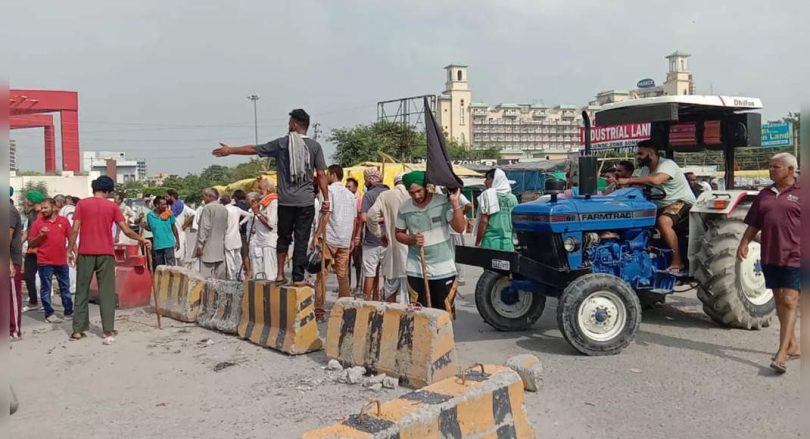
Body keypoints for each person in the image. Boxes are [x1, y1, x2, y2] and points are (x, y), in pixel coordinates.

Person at [213, 109, 329, 285]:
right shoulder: (315, 146)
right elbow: (321, 174)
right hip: (305, 202)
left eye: (289, 123)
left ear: (295, 124)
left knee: (283, 238)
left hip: (286, 201)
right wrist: (326, 199)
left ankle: (280, 274)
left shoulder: (282, 144)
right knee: (301, 240)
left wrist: (231, 150)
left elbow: (254, 149)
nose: (288, 125)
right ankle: (298, 278)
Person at [737, 153, 800, 374]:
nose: (771, 170)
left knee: (790, 301)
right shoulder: (765, 194)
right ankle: (793, 344)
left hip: (797, 255)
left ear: (790, 170)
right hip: (771, 254)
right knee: (780, 300)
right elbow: (755, 223)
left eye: (776, 167)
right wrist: (744, 242)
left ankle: (782, 354)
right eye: (770, 166)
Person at [68, 176, 151, 343]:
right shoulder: (112, 207)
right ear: (108, 191)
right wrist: (141, 239)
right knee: (106, 292)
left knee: (81, 291)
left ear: (94, 188)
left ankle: (78, 330)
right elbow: (126, 230)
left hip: (85, 252)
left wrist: (69, 249)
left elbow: (75, 229)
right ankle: (107, 329)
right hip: (106, 253)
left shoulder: (82, 204)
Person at [617, 140, 696, 273]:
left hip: (681, 202)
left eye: (641, 154)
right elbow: (639, 186)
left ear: (651, 153)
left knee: (663, 221)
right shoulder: (645, 170)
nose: (638, 157)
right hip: (659, 206)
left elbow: (656, 180)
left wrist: (629, 180)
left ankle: (677, 262)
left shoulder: (667, 164)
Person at [395, 171, 467, 313]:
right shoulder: (404, 208)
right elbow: (398, 234)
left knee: (443, 313)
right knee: (419, 313)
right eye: (411, 193)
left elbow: (459, 228)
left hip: (444, 269)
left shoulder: (442, 202)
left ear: (426, 187)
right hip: (416, 270)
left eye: (419, 191)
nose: (416, 196)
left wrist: (455, 203)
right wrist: (411, 239)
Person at [311, 165, 357, 320]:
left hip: (329, 238)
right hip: (344, 239)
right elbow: (354, 219)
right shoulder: (350, 194)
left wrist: (316, 235)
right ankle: (346, 310)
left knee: (322, 275)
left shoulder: (329, 191)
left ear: (332, 174)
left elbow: (326, 214)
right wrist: (352, 238)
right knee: (343, 276)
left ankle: (319, 310)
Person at [366, 172, 410, 303]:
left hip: (393, 249)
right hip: (413, 249)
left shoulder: (385, 195)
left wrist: (380, 234)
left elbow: (371, 216)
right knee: (411, 290)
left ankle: (390, 314)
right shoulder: (415, 194)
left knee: (390, 287)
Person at [28, 198, 74, 323]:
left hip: (61, 261)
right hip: (44, 262)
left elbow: (71, 236)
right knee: (46, 288)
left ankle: (68, 312)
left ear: (53, 207)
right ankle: (49, 314)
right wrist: (40, 235)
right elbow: (31, 243)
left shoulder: (63, 221)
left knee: (65, 287)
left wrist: (71, 251)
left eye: (45, 208)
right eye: (42, 208)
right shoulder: (38, 223)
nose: (43, 210)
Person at [353, 168, 389, 301]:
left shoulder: (369, 195)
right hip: (388, 241)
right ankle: (379, 300)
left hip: (372, 240)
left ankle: (367, 302)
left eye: (365, 180)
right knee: (385, 274)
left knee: (369, 273)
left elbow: (363, 217)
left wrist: (376, 219)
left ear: (370, 180)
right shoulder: (389, 193)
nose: (365, 182)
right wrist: (386, 219)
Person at [476, 169, 519, 251]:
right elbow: (515, 221)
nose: (485, 182)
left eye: (488, 179)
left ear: (496, 180)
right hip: (508, 243)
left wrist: (477, 241)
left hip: (490, 243)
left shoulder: (487, 195)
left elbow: (484, 221)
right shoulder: (513, 198)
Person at [195, 187, 228, 279]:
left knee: (205, 276)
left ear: (209, 196)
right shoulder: (223, 208)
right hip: (220, 246)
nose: (203, 199)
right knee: (220, 277)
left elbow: (204, 228)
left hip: (208, 247)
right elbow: (226, 227)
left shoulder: (207, 208)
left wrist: (200, 246)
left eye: (204, 196)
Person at [245, 189, 278, 281]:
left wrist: (258, 213)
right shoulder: (251, 210)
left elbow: (270, 225)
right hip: (256, 242)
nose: (246, 202)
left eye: (248, 201)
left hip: (267, 241)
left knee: (269, 270)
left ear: (253, 201)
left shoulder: (269, 205)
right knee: (257, 270)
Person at [142, 195, 180, 268]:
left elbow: (174, 227)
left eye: (165, 204)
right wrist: (144, 226)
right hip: (158, 245)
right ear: (156, 205)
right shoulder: (150, 215)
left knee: (171, 267)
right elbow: (151, 229)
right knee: (160, 267)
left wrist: (178, 241)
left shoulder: (169, 213)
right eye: (163, 204)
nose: (165, 206)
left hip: (169, 244)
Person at [22, 191, 44, 310]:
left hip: (42, 249)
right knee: (28, 275)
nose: (25, 201)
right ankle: (33, 301)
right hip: (32, 249)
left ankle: (46, 302)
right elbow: (28, 231)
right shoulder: (31, 214)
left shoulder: (43, 213)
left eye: (27, 199)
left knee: (46, 276)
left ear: (31, 201)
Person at [221, 194, 249, 280]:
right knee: (238, 257)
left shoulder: (223, 210)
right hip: (237, 236)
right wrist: (240, 223)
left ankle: (232, 277)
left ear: (222, 202)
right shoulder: (236, 209)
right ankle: (240, 275)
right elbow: (249, 215)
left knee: (230, 259)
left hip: (228, 237)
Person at [166, 189, 196, 268]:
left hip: (180, 234)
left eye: (167, 196)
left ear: (172, 196)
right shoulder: (167, 207)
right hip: (169, 235)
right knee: (171, 259)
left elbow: (194, 214)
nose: (165, 198)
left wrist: (185, 225)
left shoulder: (182, 207)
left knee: (180, 259)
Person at [9, 187, 24, 340]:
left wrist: (9, 263)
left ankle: (13, 330)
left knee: (11, 296)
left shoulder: (9, 211)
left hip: (10, 259)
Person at [345, 177, 363, 294]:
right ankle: (346, 286)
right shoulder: (345, 199)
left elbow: (359, 220)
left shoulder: (359, 200)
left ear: (355, 187)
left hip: (356, 235)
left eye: (349, 187)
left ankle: (358, 286)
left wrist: (357, 236)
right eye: (346, 187)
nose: (347, 189)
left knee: (357, 262)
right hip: (346, 235)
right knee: (345, 263)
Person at [232, 189, 251, 277]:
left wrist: (239, 223)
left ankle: (240, 271)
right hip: (246, 231)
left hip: (237, 232)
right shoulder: (248, 205)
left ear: (236, 197)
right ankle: (248, 270)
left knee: (238, 252)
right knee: (245, 253)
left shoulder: (236, 207)